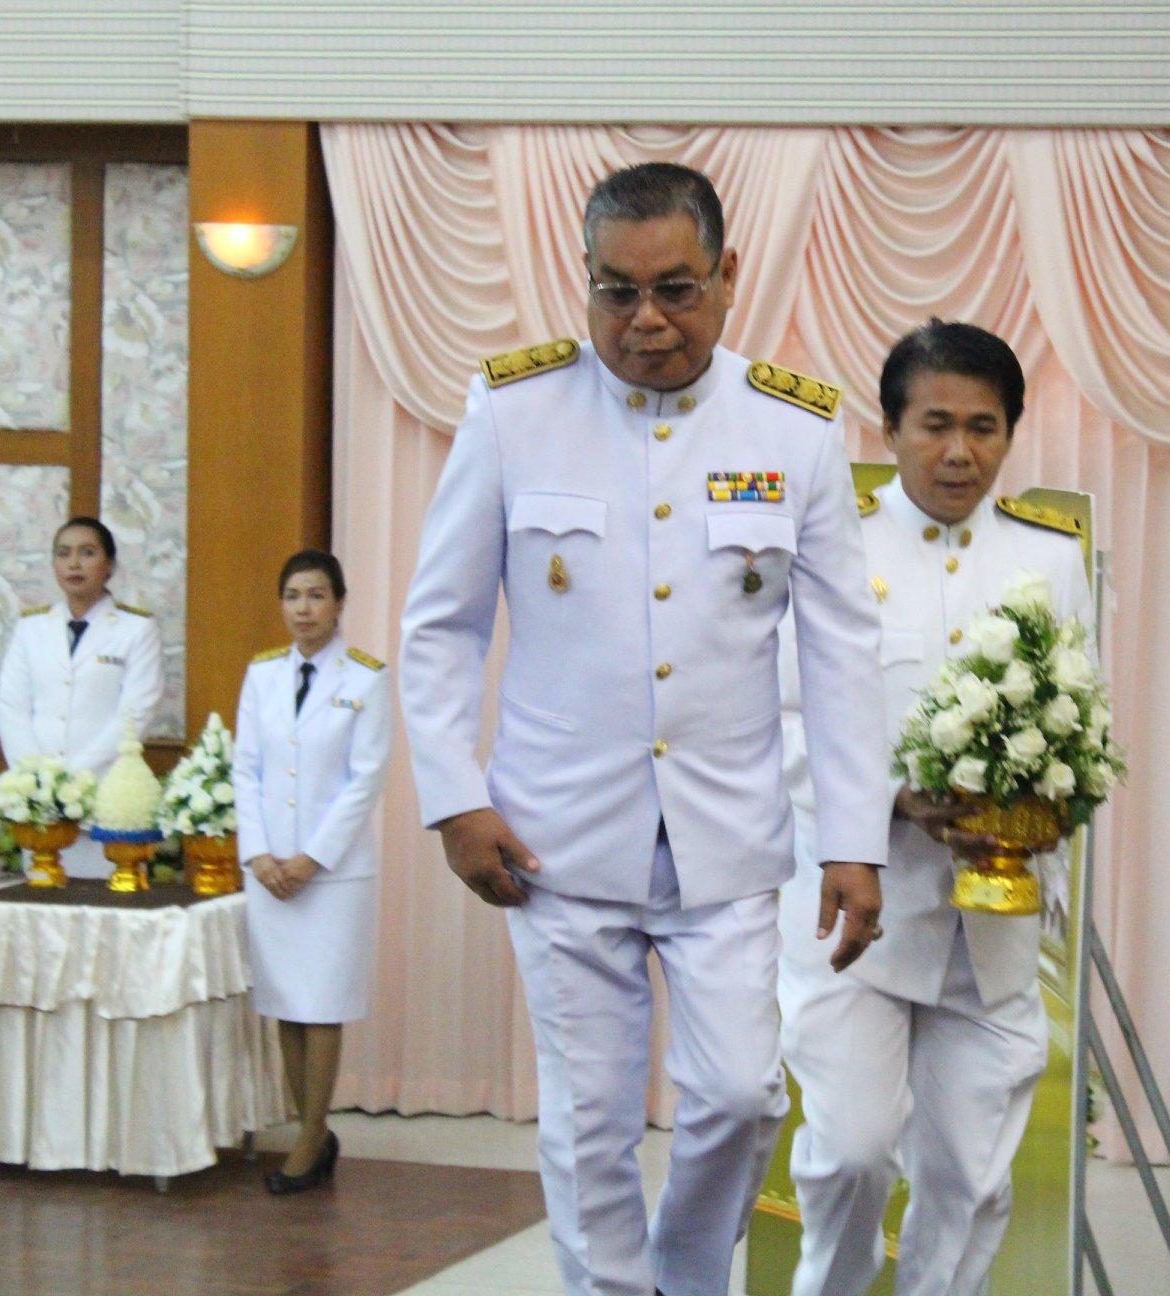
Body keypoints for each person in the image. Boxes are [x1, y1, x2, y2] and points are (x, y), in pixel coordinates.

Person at [400, 161, 891, 1296]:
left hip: (727, 840)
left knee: (740, 1097)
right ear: (585, 282)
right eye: (615, 292)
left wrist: (853, 840)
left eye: (675, 288)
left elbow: (840, 655)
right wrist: (456, 799)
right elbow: (441, 627)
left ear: (728, 276)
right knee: (591, 1119)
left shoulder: (795, 429)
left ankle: (683, 1277)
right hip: (553, 838)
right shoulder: (515, 412)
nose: (647, 321)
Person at [776, 321, 1094, 1296]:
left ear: (1011, 434)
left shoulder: (1050, 562)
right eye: (936, 425)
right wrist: (891, 798)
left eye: (984, 428)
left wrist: (1046, 813)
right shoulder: (833, 549)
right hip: (855, 922)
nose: (960, 452)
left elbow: (1080, 725)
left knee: (969, 1182)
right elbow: (777, 724)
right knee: (851, 1155)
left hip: (988, 925)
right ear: (890, 428)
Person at [232, 549, 390, 1194]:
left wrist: (310, 859)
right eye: (293, 596)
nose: (304, 608)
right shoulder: (262, 674)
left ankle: (310, 1135)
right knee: (285, 1005)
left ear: (340, 602)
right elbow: (246, 769)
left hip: (333, 874)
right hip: (269, 870)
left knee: (322, 1005)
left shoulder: (367, 679)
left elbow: (365, 780)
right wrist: (259, 854)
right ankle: (312, 1134)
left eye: (317, 595)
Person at [0, 516, 164, 878]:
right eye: (64, 553)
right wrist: (40, 781)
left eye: (87, 553)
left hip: (105, 799)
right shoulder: (30, 628)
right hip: (39, 805)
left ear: (110, 565)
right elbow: (12, 710)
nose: (74, 563)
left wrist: (72, 780)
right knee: (38, 900)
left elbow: (136, 713)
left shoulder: (137, 629)